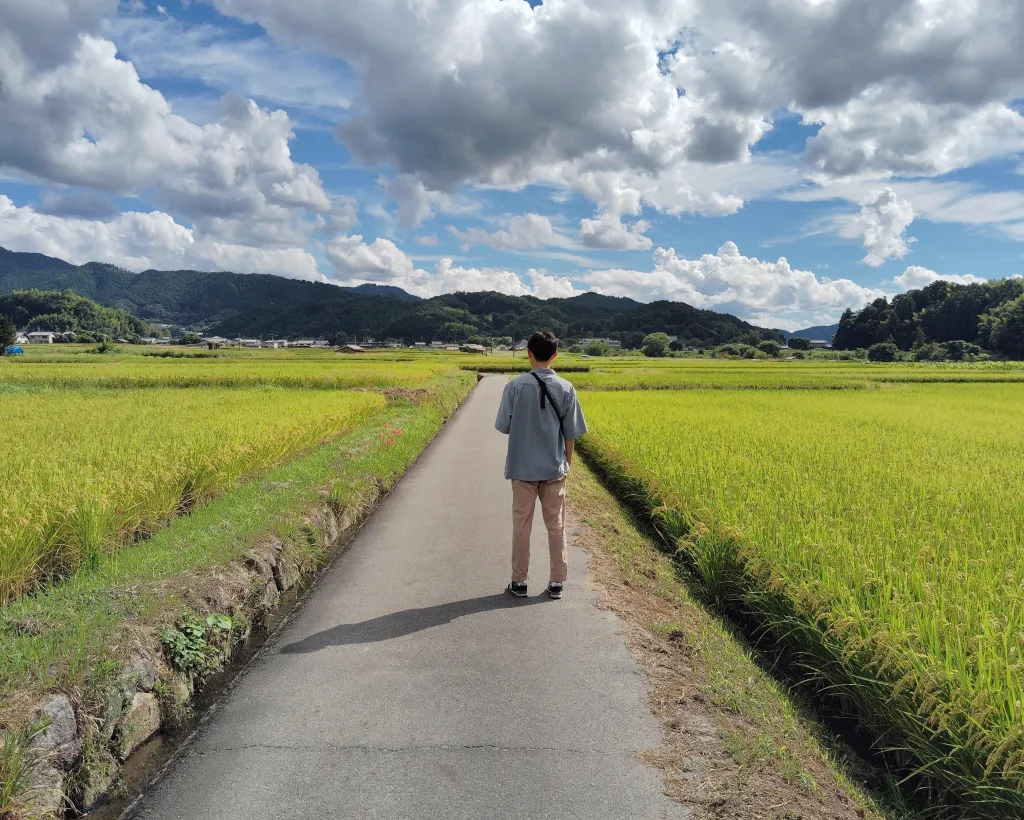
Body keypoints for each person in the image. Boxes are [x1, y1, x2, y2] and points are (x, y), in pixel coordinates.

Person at [494, 331, 588, 599]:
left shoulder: (514, 386)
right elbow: (571, 433)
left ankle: (519, 582)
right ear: (555, 355)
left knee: (521, 524)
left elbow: (503, 426)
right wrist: (567, 463)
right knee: (556, 524)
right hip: (553, 468)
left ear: (529, 353)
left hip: (522, 468)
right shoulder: (567, 387)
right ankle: (557, 581)